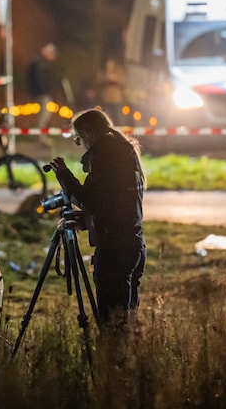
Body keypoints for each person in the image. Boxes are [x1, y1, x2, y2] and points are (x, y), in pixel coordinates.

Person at [49, 108, 146, 331]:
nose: (79, 144)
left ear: (89, 134)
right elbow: (113, 203)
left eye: (78, 139)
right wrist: (86, 221)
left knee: (112, 325)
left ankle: (112, 363)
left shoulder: (105, 156)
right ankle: (131, 363)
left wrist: (64, 175)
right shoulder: (124, 152)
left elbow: (92, 200)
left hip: (114, 251)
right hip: (133, 244)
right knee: (127, 323)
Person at [27, 43, 58, 141]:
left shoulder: (41, 63)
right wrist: (45, 91)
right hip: (41, 93)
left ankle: (37, 134)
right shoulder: (40, 63)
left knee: (44, 113)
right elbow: (40, 79)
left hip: (40, 92)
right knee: (44, 113)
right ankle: (39, 136)